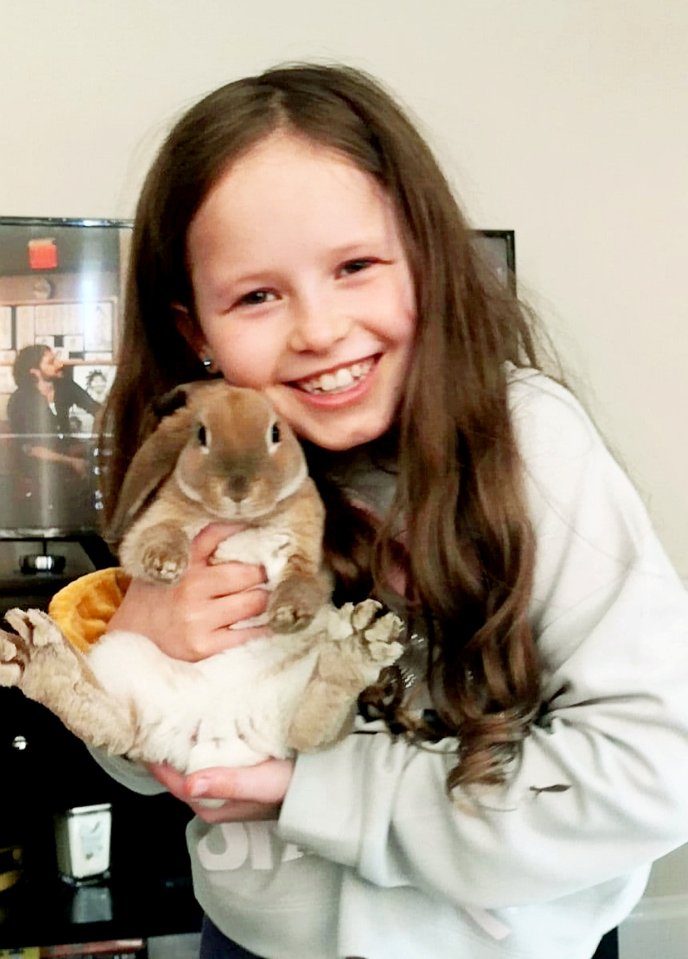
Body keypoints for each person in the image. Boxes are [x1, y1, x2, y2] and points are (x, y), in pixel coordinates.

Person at [52, 64, 688, 958]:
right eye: (257, 296)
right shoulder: (200, 468)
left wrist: (313, 786)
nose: (319, 329)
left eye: (356, 266)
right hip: (254, 944)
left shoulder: (531, 443)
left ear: (424, 258)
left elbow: (652, 771)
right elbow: (146, 765)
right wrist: (145, 644)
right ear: (196, 328)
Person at [7, 344, 102, 526]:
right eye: (51, 362)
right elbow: (32, 449)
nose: (60, 364)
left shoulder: (65, 386)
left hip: (66, 452)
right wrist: (72, 461)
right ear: (34, 371)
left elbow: (97, 410)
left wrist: (96, 437)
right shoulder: (20, 401)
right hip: (38, 464)